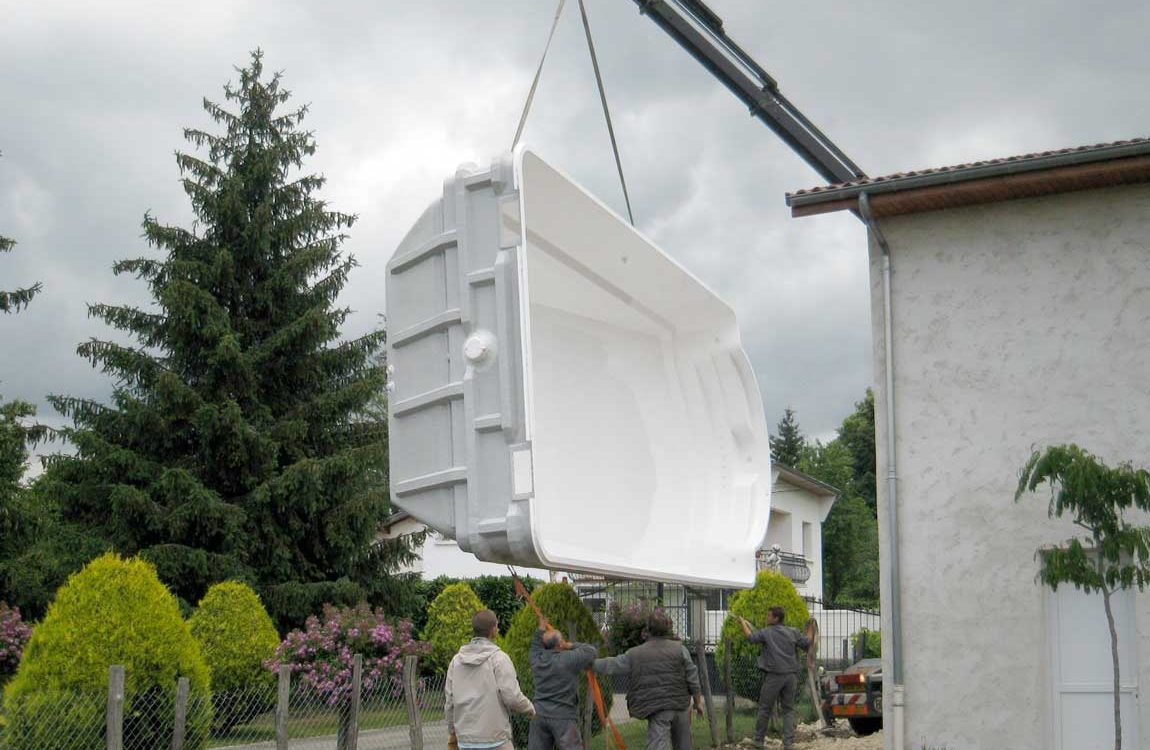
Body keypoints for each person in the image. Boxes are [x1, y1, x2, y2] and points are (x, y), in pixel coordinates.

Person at [592, 611, 704, 750]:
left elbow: (613, 665)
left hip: (658, 709)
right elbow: (692, 677)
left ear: (648, 629)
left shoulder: (635, 654)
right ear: (668, 629)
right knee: (684, 745)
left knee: (657, 745)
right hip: (681, 706)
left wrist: (592, 664)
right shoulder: (680, 650)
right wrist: (698, 702)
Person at [446, 610, 535, 750]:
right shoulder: (499, 659)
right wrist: (529, 708)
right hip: (495, 739)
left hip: (466, 740)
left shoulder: (456, 661)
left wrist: (452, 729)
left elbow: (450, 700)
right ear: (493, 629)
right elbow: (511, 696)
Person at [737, 606, 811, 750]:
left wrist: (743, 623)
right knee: (788, 710)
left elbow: (751, 638)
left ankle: (758, 740)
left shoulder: (766, 632)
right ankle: (788, 744)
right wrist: (811, 627)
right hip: (791, 676)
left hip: (774, 676)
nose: (767, 617)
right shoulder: (793, 632)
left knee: (765, 708)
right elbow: (807, 643)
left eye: (769, 616)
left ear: (776, 618)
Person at [528, 622, 599, 750]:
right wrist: (570, 645)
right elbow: (591, 651)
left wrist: (540, 629)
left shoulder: (536, 659)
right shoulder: (569, 659)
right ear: (560, 644)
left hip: (539, 714)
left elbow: (535, 646)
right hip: (564, 717)